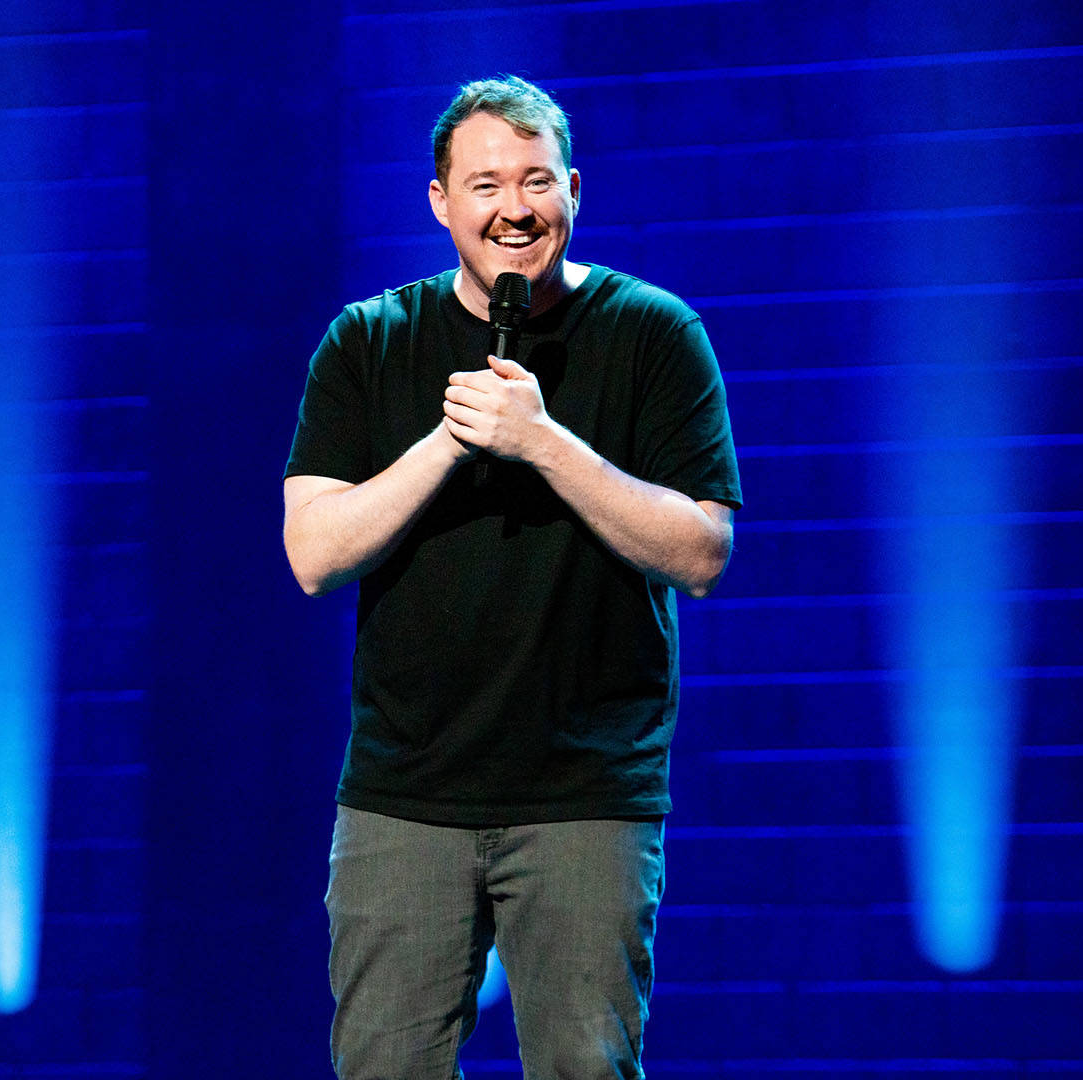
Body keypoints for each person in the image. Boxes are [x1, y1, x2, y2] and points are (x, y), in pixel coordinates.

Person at [282, 75, 743, 1079]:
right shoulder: (368, 343)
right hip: (405, 795)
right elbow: (314, 552)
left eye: (537, 181)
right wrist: (451, 442)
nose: (514, 207)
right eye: (486, 183)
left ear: (573, 191)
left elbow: (702, 553)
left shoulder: (655, 335)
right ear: (441, 201)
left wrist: (542, 443)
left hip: (585, 794)